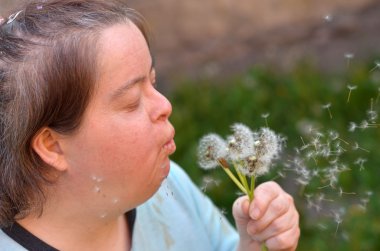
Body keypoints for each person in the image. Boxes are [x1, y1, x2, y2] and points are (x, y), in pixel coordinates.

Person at [0, 1, 300, 250]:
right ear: (53, 146)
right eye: (131, 101)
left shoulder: (168, 191)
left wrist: (253, 244)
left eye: (153, 83)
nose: (165, 105)